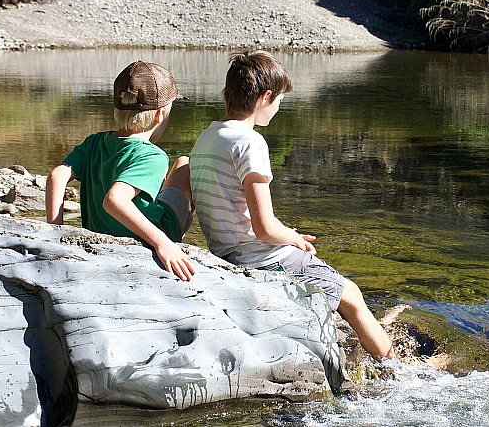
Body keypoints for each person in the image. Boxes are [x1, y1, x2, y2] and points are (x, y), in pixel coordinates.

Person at [190, 50, 393, 359]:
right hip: (260, 259)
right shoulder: (249, 143)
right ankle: (397, 368)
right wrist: (295, 238)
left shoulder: (207, 136)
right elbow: (264, 228)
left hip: (226, 254)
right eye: (280, 101)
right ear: (265, 97)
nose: (279, 107)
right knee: (351, 295)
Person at [45, 61, 195, 282]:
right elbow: (114, 200)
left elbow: (57, 175)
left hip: (98, 237)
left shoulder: (94, 142)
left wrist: (56, 232)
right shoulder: (152, 156)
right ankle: (177, 238)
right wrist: (162, 243)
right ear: (160, 115)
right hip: (148, 239)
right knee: (185, 165)